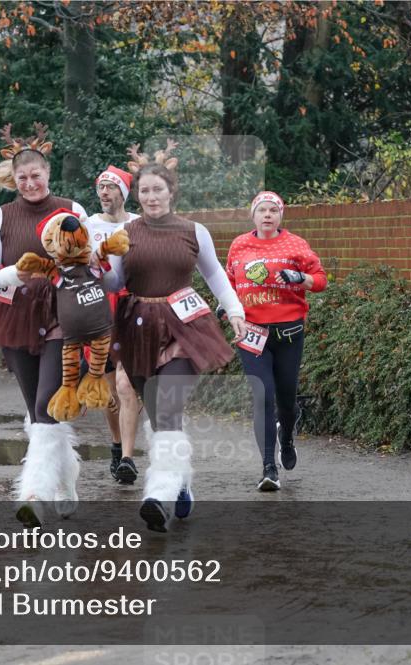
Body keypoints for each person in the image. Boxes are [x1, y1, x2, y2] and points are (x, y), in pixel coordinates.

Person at [103, 142, 246, 532]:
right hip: (136, 329)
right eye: (145, 190)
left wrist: (235, 311)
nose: (151, 197)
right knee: (159, 412)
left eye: (158, 189)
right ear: (137, 195)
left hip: (184, 328)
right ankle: (180, 482)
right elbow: (114, 281)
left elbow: (216, 276)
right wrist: (93, 267)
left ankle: (160, 495)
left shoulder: (193, 231)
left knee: (167, 408)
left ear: (171, 192)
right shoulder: (124, 233)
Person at [0, 122, 87, 526]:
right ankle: (67, 480)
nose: (29, 183)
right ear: (14, 179)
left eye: (35, 176)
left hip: (62, 313)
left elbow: (92, 261)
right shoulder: (2, 216)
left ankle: (34, 495)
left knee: (46, 405)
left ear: (47, 173)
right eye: (22, 178)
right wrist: (14, 274)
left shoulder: (73, 210)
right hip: (15, 314)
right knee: (37, 410)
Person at [225, 191, 327, 490]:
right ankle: (269, 468)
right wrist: (226, 306)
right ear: (253, 215)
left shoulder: (296, 244)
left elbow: (321, 280)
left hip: (288, 334)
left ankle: (287, 435)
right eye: (262, 210)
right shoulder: (239, 244)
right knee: (263, 396)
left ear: (280, 215)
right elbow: (228, 282)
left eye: (273, 210)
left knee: (285, 400)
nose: (267, 215)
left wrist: (300, 278)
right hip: (251, 333)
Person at [85, 166, 143, 484]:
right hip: (97, 310)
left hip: (131, 307)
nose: (104, 192)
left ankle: (128, 456)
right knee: (109, 389)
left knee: (127, 384)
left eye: (111, 186)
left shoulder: (139, 224)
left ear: (123, 192)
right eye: (101, 187)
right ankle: (117, 444)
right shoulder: (87, 225)